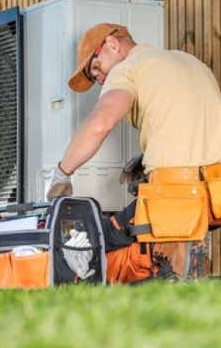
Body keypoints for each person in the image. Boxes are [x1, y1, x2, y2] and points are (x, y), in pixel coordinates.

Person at [46, 23, 221, 282]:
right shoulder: (186, 60)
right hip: (214, 192)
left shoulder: (127, 68)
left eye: (96, 69)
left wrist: (62, 173)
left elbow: (100, 123)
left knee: (99, 237)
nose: (100, 79)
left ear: (111, 44)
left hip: (176, 195)